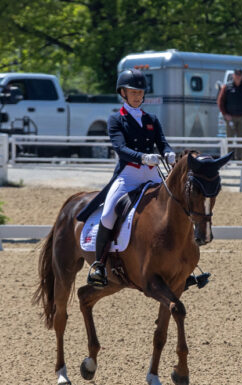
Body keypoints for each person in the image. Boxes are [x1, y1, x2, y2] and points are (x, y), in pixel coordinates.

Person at [77, 68, 175, 287]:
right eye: (133, 92)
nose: (138, 96)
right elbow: (120, 148)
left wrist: (168, 152)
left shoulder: (151, 118)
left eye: (140, 92)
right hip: (128, 174)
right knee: (109, 213)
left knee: (173, 205)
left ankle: (179, 259)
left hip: (152, 173)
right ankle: (99, 266)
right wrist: (142, 157)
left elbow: (162, 141)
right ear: (123, 92)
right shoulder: (116, 120)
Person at [217, 68, 242, 160]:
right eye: (236, 75)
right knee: (230, 139)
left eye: (239, 75)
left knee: (240, 139)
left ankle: (239, 158)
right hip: (230, 117)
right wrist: (225, 114)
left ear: (241, 76)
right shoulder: (227, 87)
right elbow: (220, 101)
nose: (238, 77)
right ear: (233, 76)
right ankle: (228, 158)